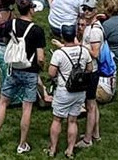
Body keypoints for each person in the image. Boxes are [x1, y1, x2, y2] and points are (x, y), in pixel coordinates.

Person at [0, 0, 46, 153]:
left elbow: (6, 39)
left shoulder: (10, 24)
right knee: (27, 108)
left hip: (13, 69)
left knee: (3, 102)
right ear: (30, 9)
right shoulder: (37, 30)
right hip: (30, 71)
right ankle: (22, 144)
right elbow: (40, 57)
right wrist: (40, 67)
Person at [46, 27, 93, 159]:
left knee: (57, 120)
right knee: (73, 121)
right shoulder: (84, 51)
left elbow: (51, 73)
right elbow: (89, 69)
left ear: (62, 37)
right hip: (79, 91)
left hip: (63, 91)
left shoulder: (58, 54)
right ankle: (70, 150)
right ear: (74, 36)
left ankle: (53, 149)